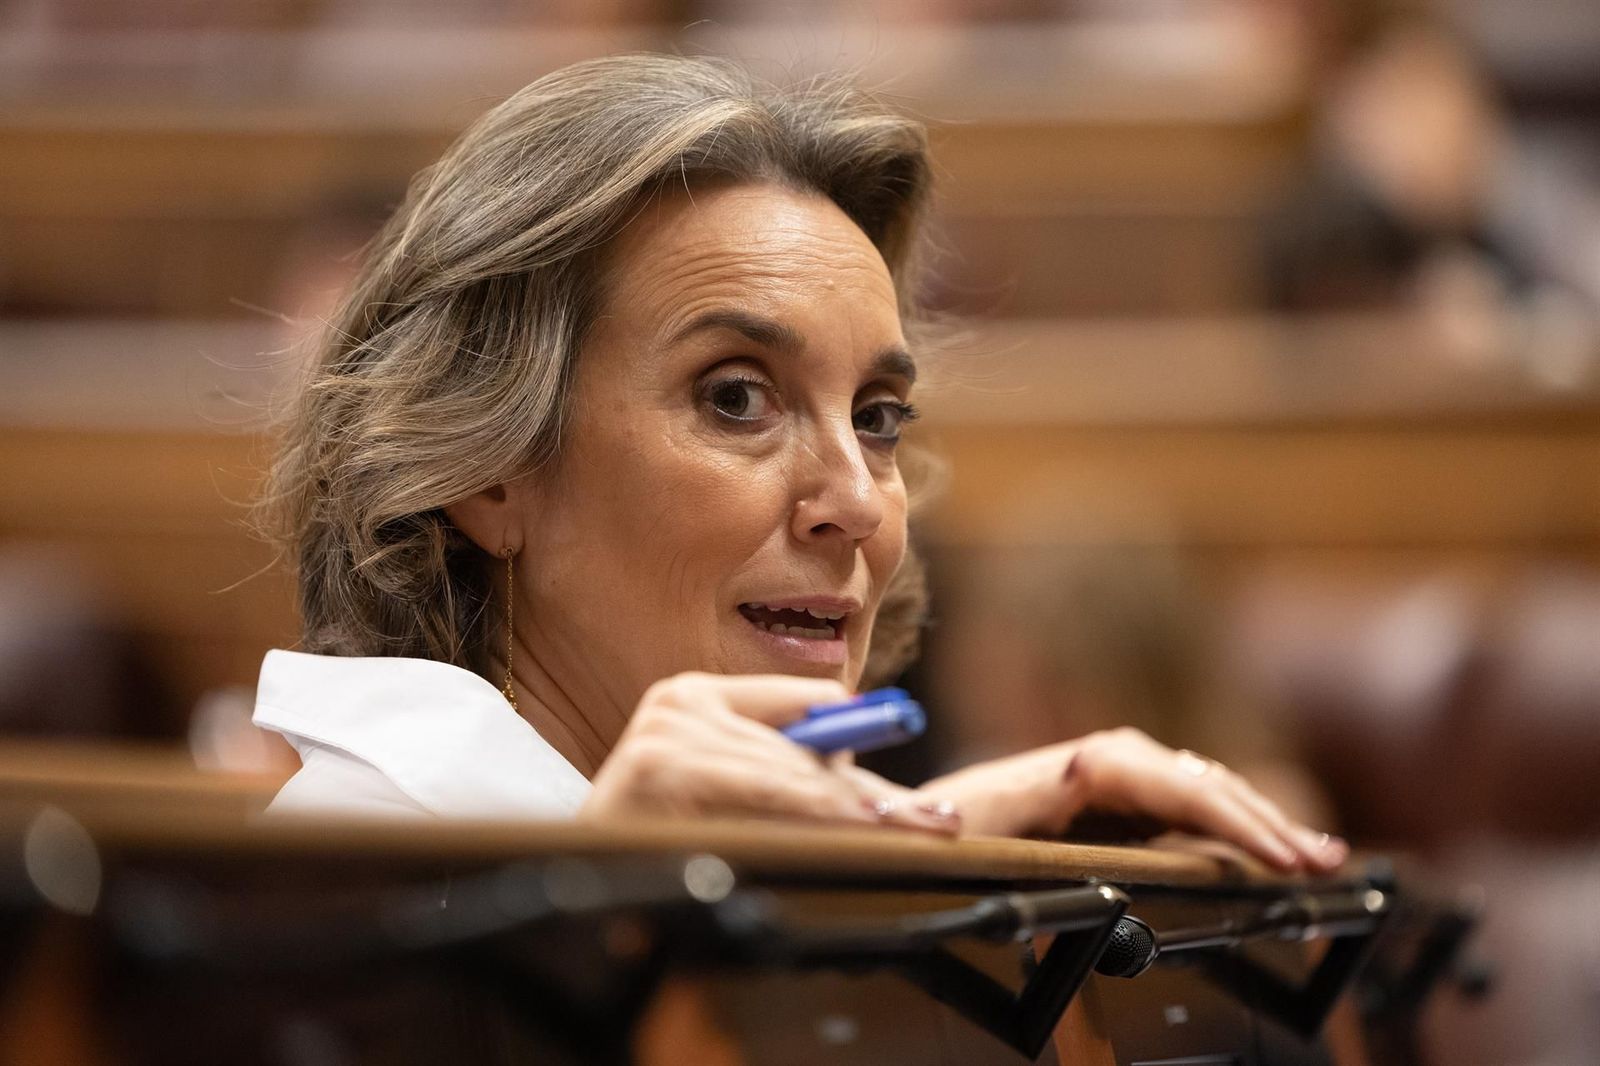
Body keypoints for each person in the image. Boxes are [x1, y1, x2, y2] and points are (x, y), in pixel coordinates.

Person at [252, 54, 1346, 874]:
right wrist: (602, 914)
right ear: (487, 469)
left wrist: (943, 869)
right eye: (736, 398)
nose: (861, 503)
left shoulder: (746, 866)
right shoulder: (330, 894)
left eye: (877, 417)